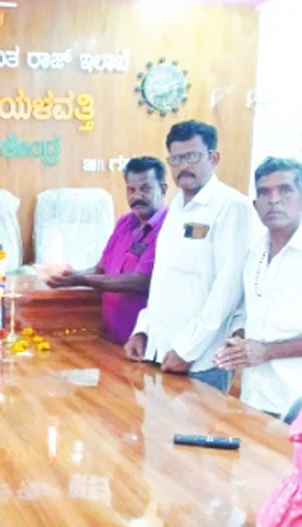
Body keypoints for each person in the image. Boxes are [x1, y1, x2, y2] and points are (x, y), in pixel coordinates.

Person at [124, 120, 253, 392]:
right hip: (160, 351)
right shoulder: (177, 208)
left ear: (213, 158)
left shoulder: (231, 206)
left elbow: (228, 286)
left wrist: (188, 349)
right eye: (176, 159)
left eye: (192, 156)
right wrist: (142, 330)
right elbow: (163, 279)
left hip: (201, 361)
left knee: (196, 421)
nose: (183, 166)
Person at [214, 157, 302, 421]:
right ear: (255, 205)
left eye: (285, 190)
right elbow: (245, 313)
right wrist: (238, 340)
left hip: (295, 403)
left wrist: (267, 351)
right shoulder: (254, 253)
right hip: (254, 399)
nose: (273, 200)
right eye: (264, 192)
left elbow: (264, 349)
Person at [47, 156, 168, 344]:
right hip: (110, 338)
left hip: (145, 342)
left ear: (163, 189)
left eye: (145, 189)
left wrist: (81, 279)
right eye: (131, 190)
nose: (137, 196)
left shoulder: (168, 227)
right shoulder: (125, 222)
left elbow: (141, 281)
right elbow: (101, 270)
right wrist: (67, 275)